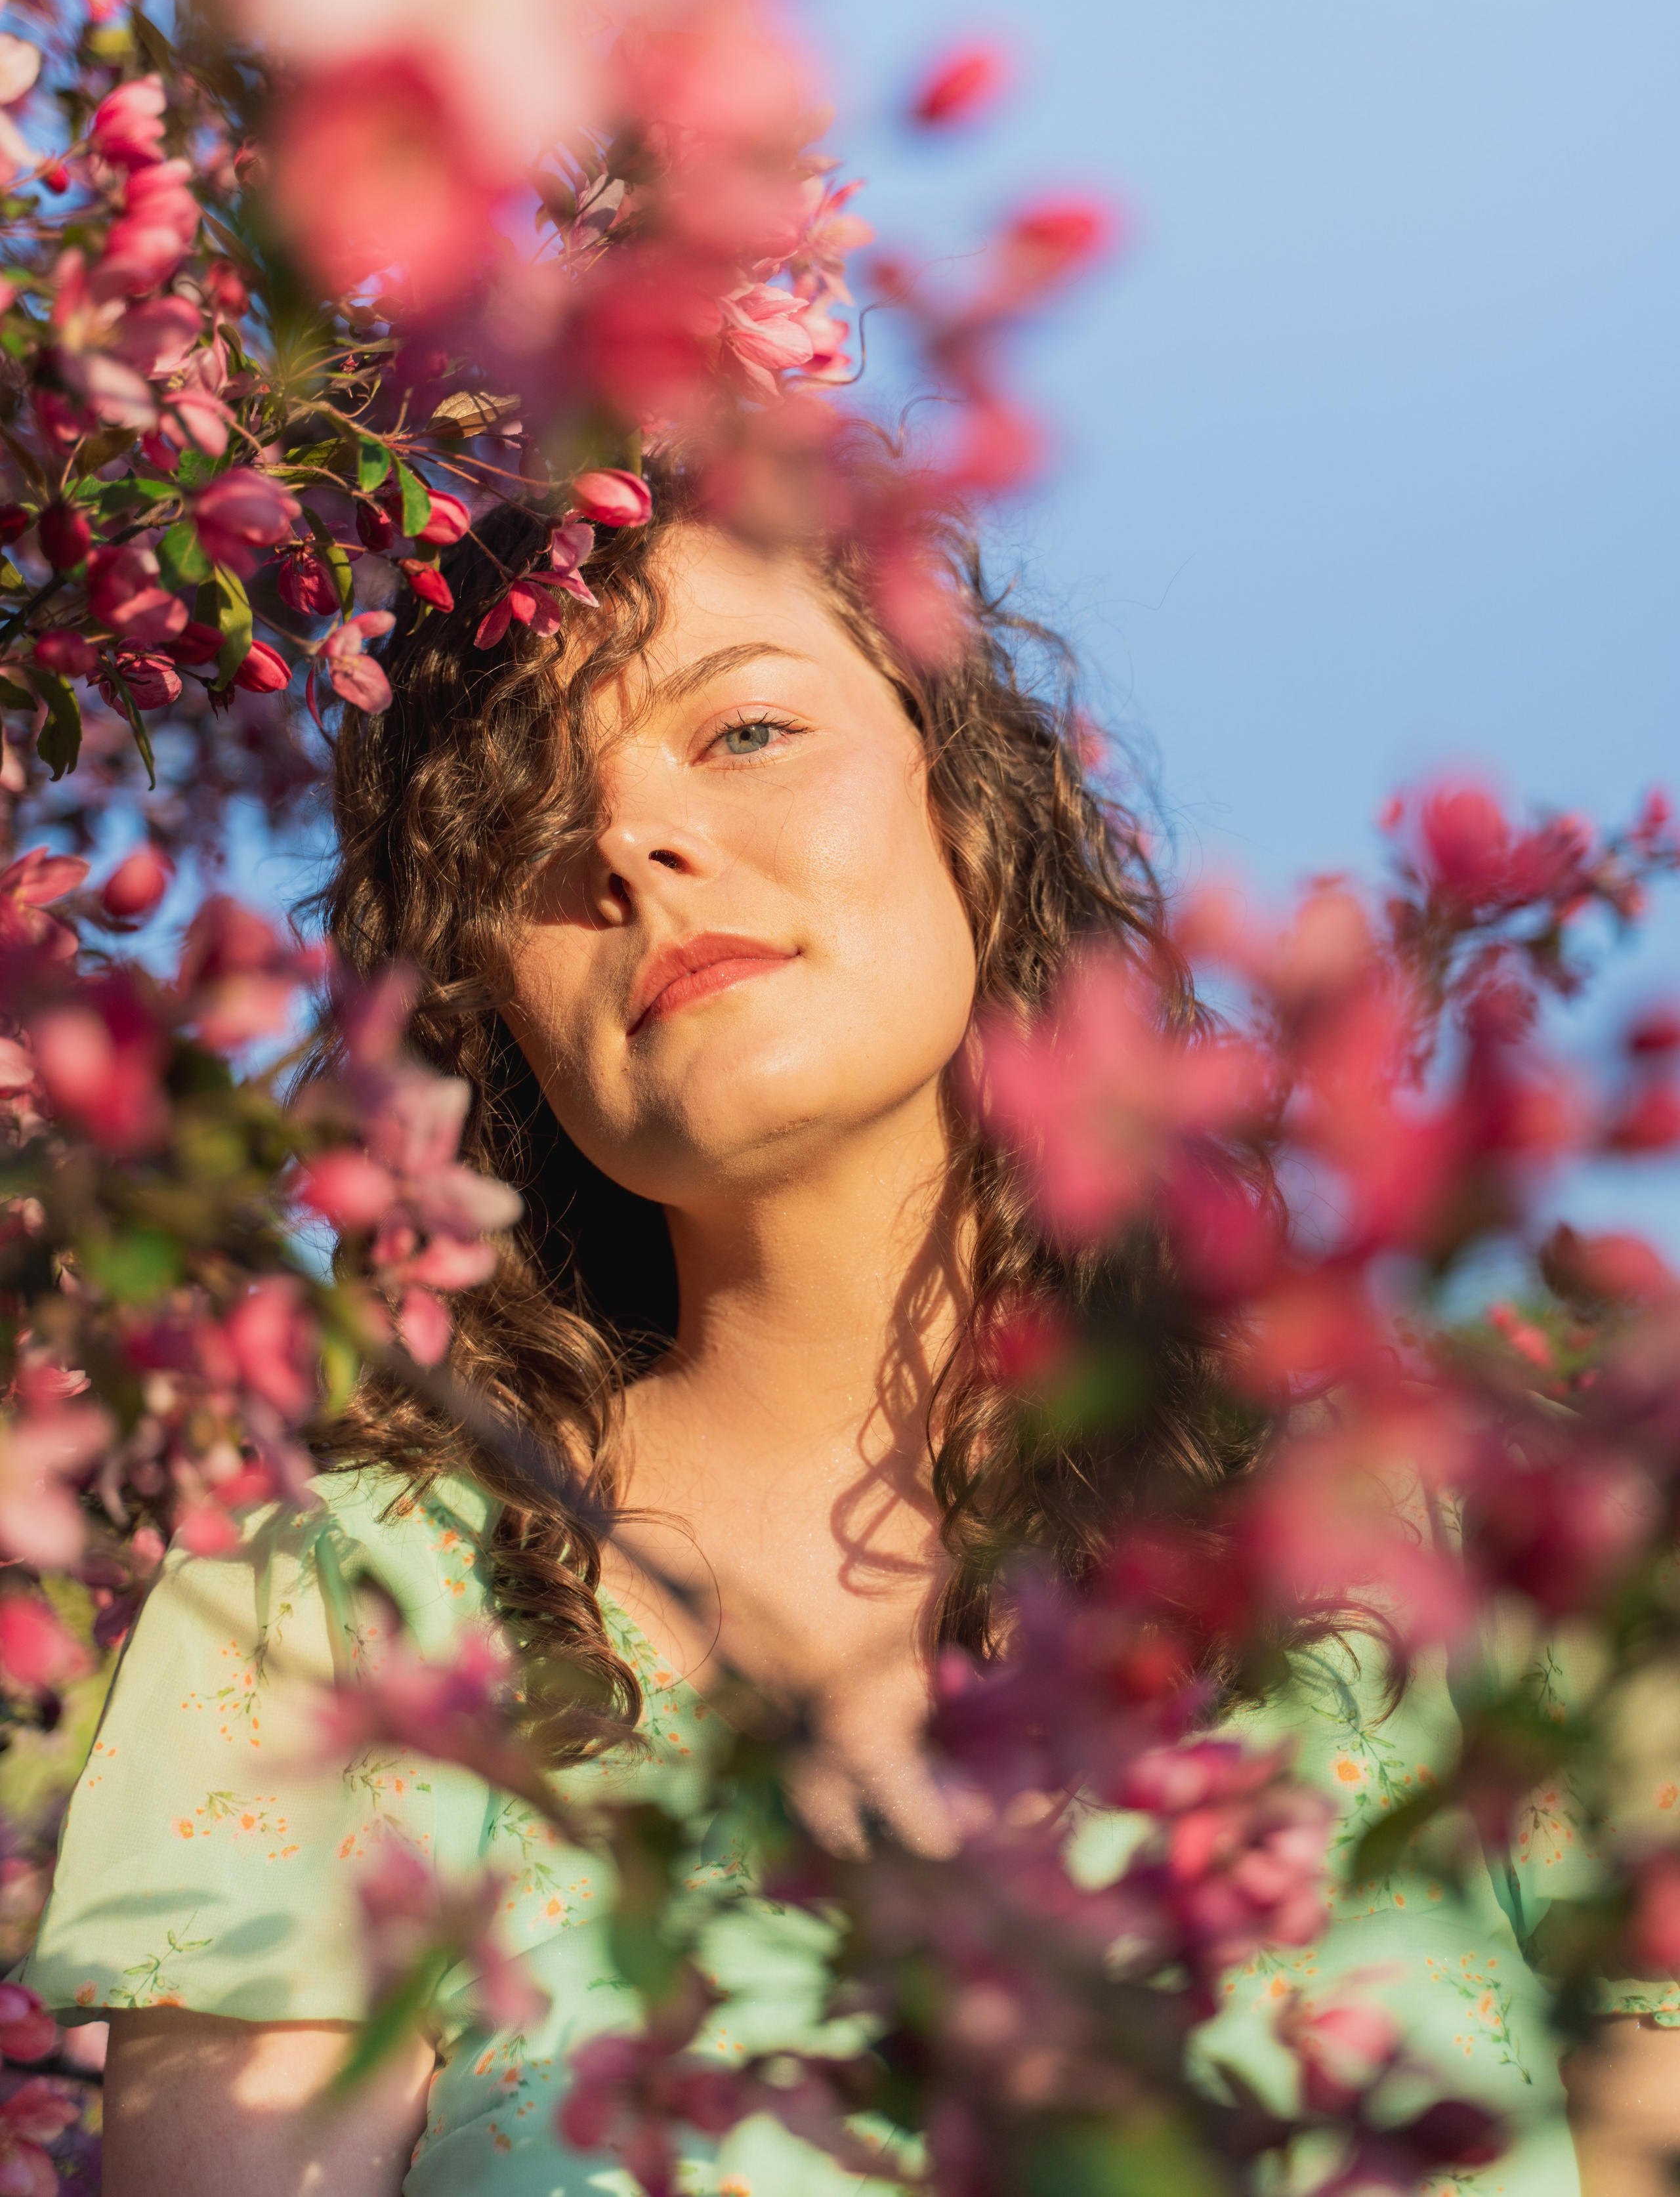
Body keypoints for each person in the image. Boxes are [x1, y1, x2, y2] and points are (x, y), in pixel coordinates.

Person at [19, 488, 1675, 2196]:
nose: (633, 846)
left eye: (744, 730)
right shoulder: (341, 1612)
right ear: (485, 1006)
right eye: (521, 828)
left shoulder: (1469, 1529)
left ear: (976, 804)